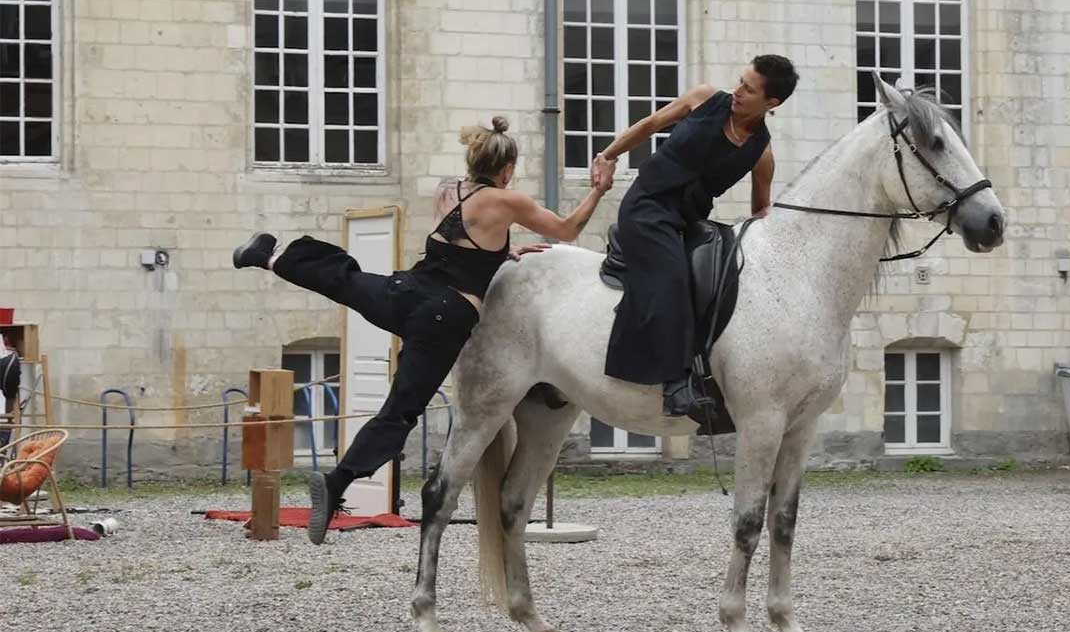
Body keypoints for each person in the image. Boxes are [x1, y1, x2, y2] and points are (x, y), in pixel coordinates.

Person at [232, 116, 613, 544]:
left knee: (345, 278)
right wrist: (599, 187)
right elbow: (567, 230)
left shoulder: (448, 190)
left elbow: (464, 249)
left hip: (404, 292)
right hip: (443, 317)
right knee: (400, 411)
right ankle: (337, 482)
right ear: (507, 169)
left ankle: (270, 256)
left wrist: (505, 251)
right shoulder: (508, 201)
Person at [592, 55, 798, 418]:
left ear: (772, 103)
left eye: (748, 89)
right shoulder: (704, 98)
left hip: (688, 221)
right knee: (672, 278)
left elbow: (760, 209)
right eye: (740, 81)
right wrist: (607, 156)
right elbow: (651, 124)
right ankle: (676, 383)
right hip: (648, 207)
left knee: (712, 281)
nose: (737, 91)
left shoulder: (761, 154)